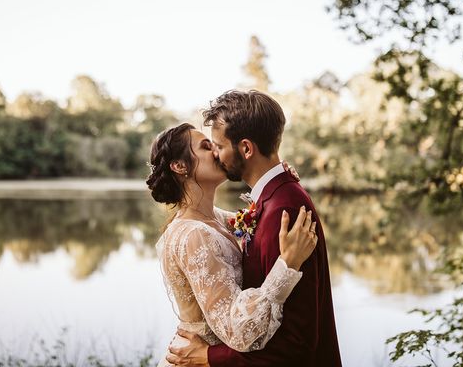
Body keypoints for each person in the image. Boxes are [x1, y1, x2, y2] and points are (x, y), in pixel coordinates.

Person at [165, 90, 343, 367]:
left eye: (218, 146)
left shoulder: (284, 212)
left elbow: (296, 340)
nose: (215, 154)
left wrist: (211, 357)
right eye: (208, 147)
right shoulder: (270, 201)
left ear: (246, 149)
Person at [147, 122, 317, 366]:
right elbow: (239, 332)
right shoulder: (194, 235)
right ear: (180, 166)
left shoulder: (215, 218)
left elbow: (260, 216)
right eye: (207, 147)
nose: (217, 152)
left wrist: (278, 178)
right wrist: (288, 265)